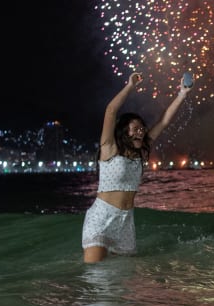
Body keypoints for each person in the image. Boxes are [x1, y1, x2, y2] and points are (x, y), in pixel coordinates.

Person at [82, 72, 193, 262]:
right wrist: (129, 86)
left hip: (126, 221)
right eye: (136, 128)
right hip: (101, 218)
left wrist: (182, 94)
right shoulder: (109, 149)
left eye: (142, 129)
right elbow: (110, 111)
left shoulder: (140, 153)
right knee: (95, 274)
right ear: (125, 131)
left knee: (123, 278)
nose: (141, 132)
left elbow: (164, 121)